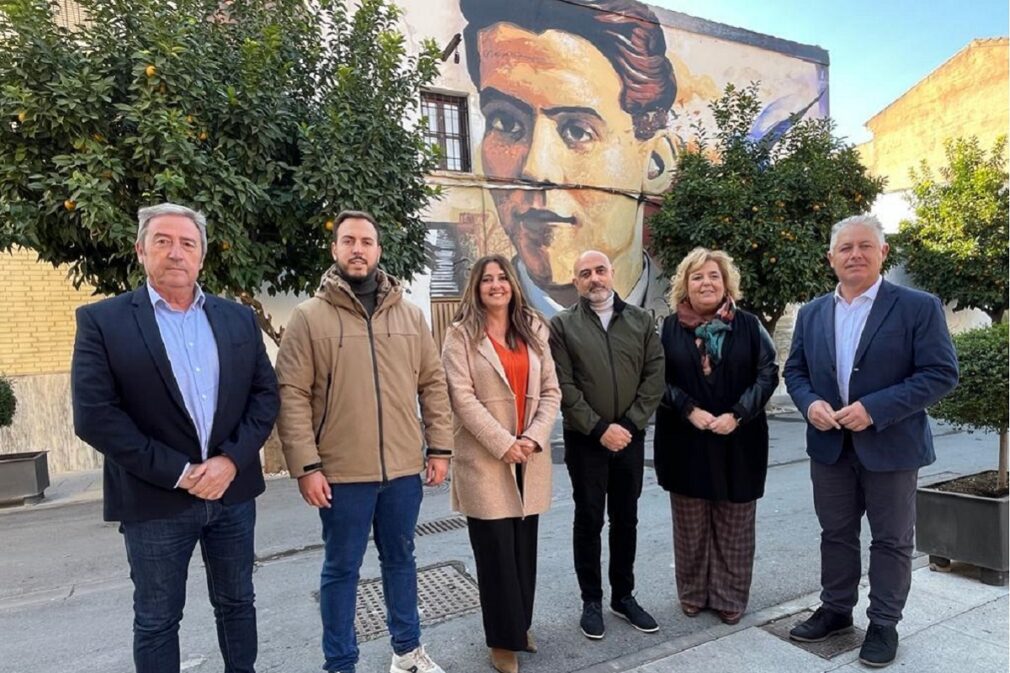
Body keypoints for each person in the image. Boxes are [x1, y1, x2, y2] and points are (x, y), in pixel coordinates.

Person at [71, 203, 279, 673]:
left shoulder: (237, 319)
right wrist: (181, 474)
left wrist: (230, 462)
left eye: (187, 243)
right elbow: (95, 417)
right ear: (140, 250)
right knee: (158, 620)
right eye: (162, 241)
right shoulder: (103, 322)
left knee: (238, 605)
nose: (175, 252)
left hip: (232, 493)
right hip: (154, 501)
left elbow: (265, 397)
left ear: (202, 256)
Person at [274, 210, 454, 673]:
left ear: (378, 250)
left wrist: (439, 448)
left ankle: (408, 653)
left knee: (401, 561)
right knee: (341, 571)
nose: (358, 249)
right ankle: (340, 664)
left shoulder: (411, 316)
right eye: (349, 240)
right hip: (340, 474)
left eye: (367, 241)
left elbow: (433, 384)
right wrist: (306, 466)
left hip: (401, 473)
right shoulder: (309, 318)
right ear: (334, 249)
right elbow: (291, 394)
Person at [784, 215, 958, 668]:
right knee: (836, 534)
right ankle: (837, 610)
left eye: (865, 246)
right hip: (829, 446)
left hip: (892, 446)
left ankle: (883, 622)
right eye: (845, 248)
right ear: (831, 258)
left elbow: (941, 374)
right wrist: (809, 404)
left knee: (892, 540)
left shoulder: (917, 306)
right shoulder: (813, 312)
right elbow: (796, 372)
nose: (855, 254)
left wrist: (875, 409)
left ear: (883, 253)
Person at [459, 0, 678, 317]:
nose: (536, 169)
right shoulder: (482, 330)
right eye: (506, 123)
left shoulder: (682, 322)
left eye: (578, 130)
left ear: (655, 163)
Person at [441, 254, 561, 673]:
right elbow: (461, 397)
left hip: (529, 456)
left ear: (513, 284)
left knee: (523, 551)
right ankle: (501, 642)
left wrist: (532, 437)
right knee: (495, 556)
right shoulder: (460, 336)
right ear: (475, 288)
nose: (495, 285)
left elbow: (551, 391)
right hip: (485, 461)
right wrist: (503, 443)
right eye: (486, 279)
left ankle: (519, 625)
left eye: (502, 278)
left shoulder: (534, 328)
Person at [653, 248, 778, 626]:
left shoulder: (750, 325)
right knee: (690, 525)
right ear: (684, 285)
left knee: (735, 524)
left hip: (739, 440)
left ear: (726, 283)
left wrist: (737, 415)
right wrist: (688, 409)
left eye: (713, 276)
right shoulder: (668, 328)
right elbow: (655, 378)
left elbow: (767, 373)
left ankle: (729, 596)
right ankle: (692, 592)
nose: (705, 283)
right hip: (684, 439)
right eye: (697, 277)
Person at [548, 250, 665, 639]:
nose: (594, 279)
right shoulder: (562, 326)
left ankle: (624, 596)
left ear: (612, 274)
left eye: (600, 271)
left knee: (625, 519)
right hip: (586, 441)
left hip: (630, 438)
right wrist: (600, 429)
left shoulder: (641, 320)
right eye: (585, 273)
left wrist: (628, 425)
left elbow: (654, 375)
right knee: (589, 520)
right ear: (576, 281)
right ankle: (592, 600)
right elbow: (564, 386)